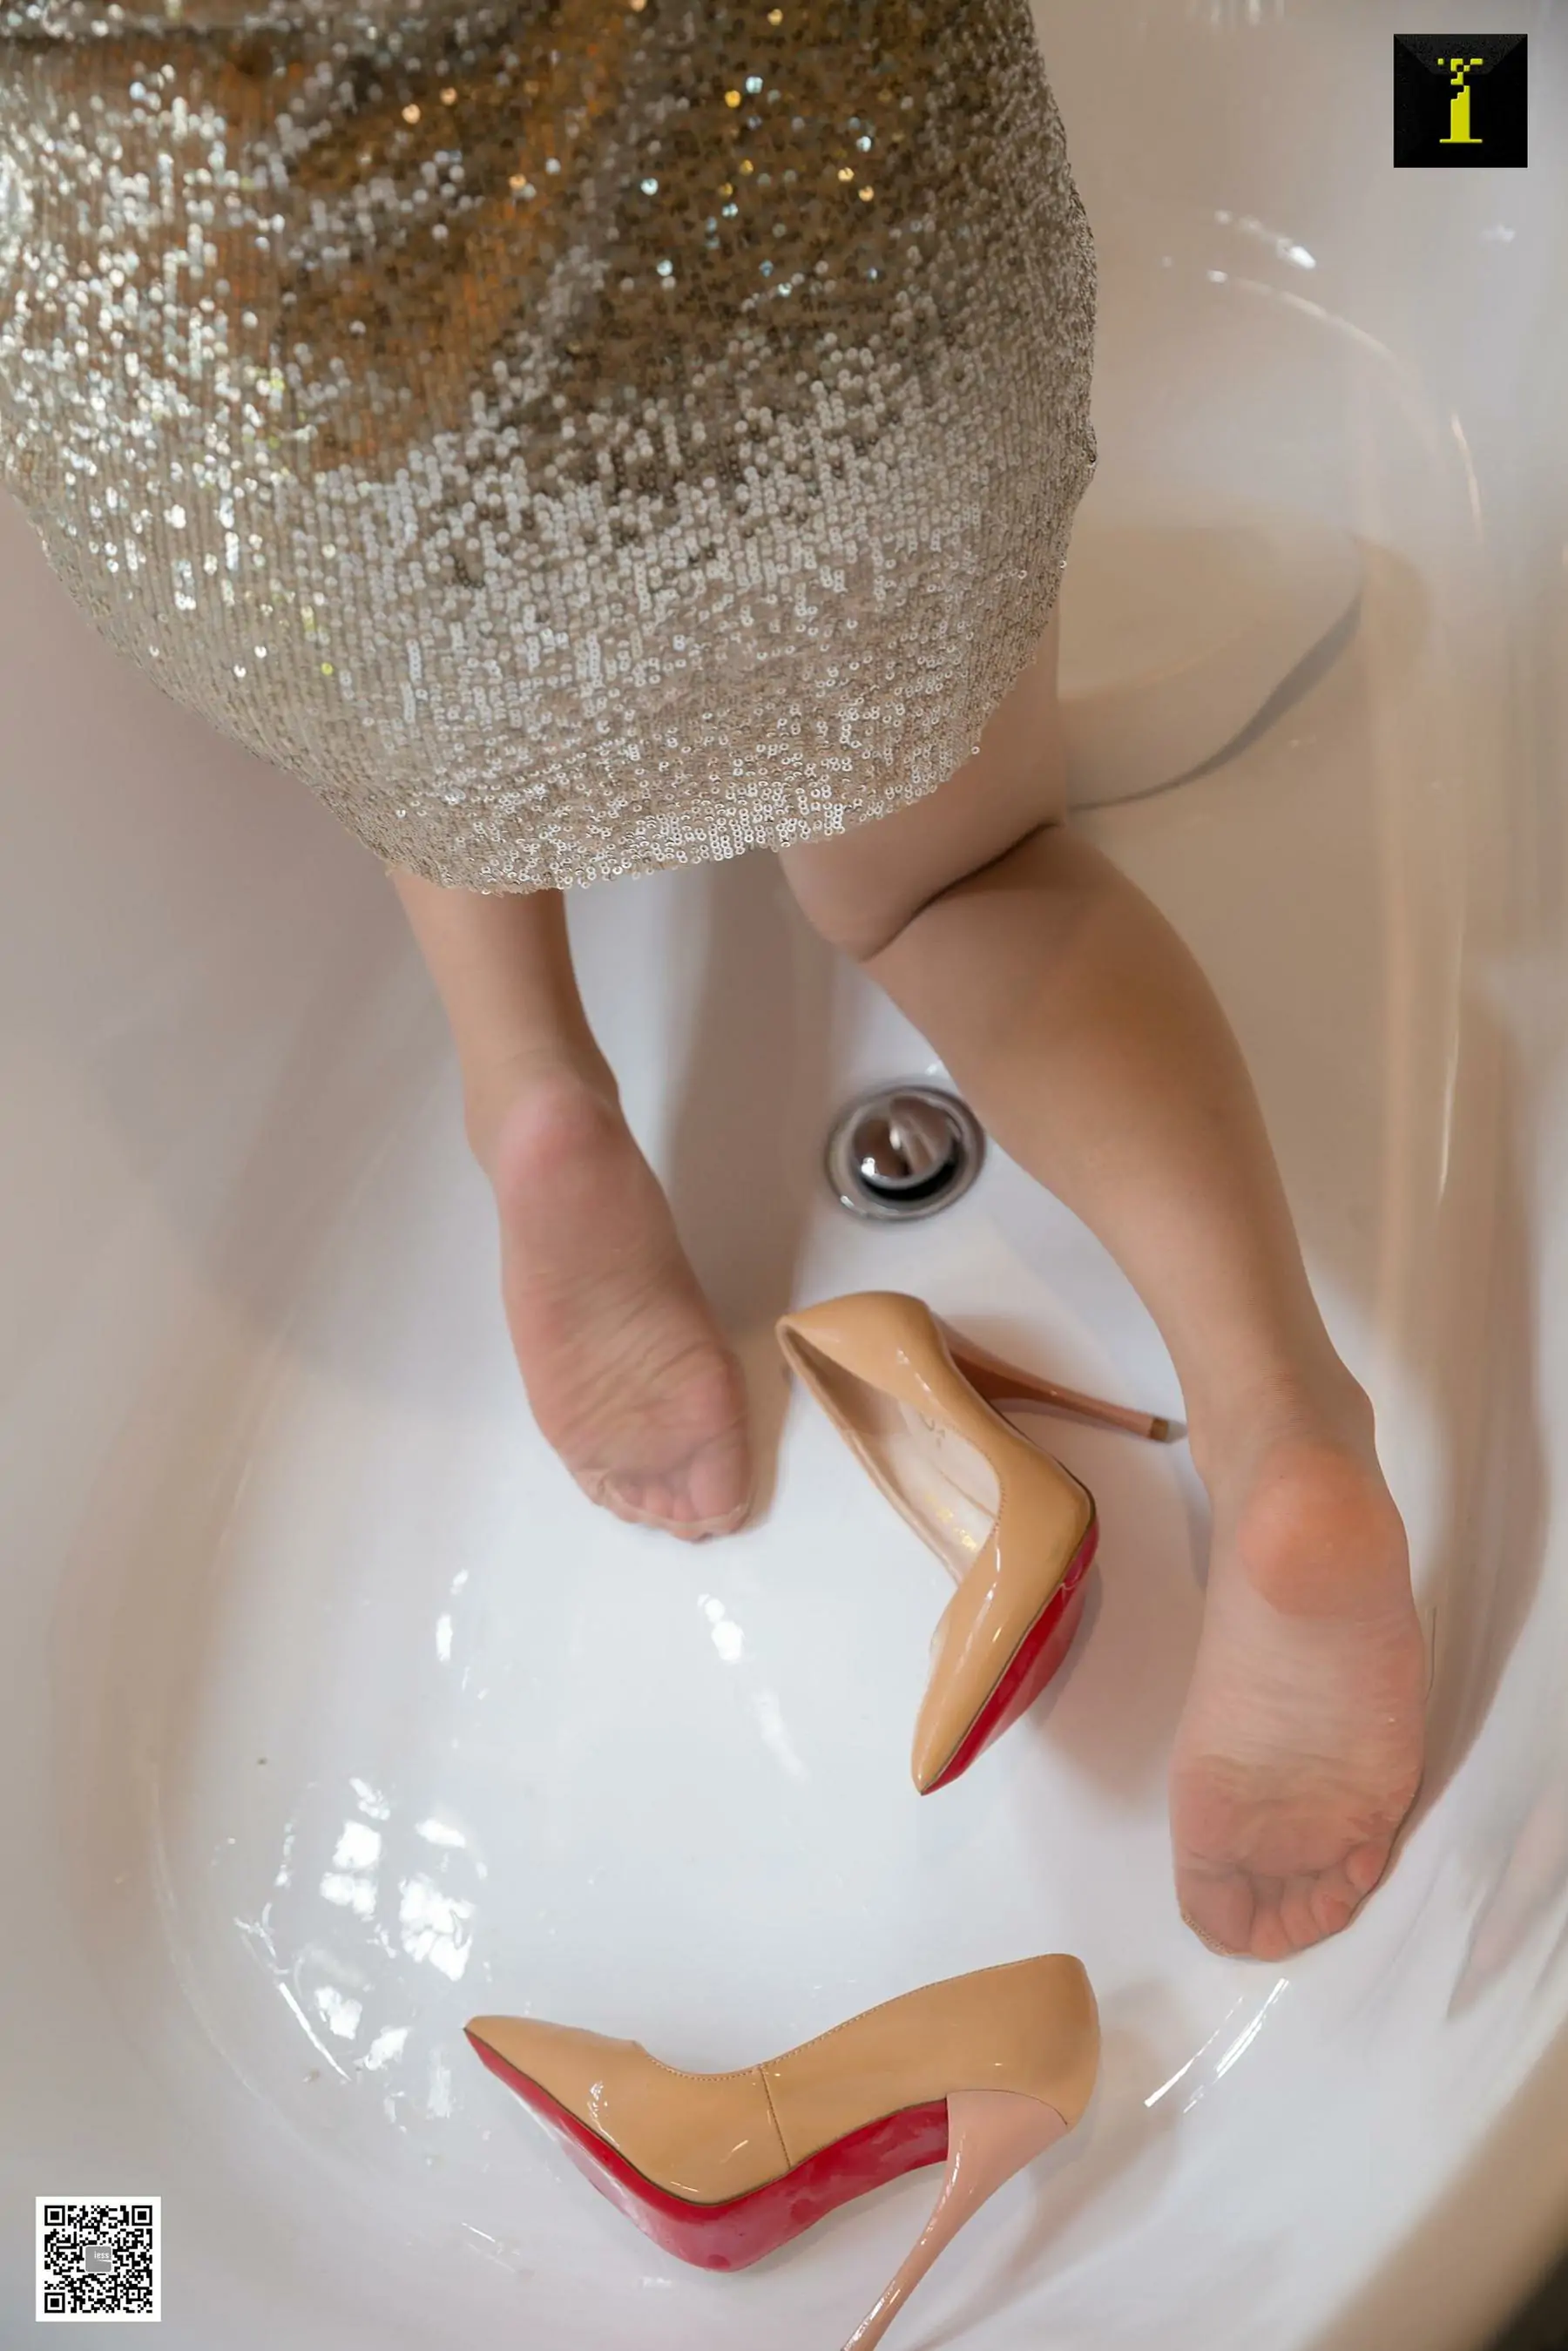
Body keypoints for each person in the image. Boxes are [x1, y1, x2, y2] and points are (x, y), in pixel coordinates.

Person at [0, 0, 1424, 1961]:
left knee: (408, 598)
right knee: (963, 875)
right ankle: (1279, 1425)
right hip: (815, 263)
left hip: (298, 380)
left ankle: (540, 1107)